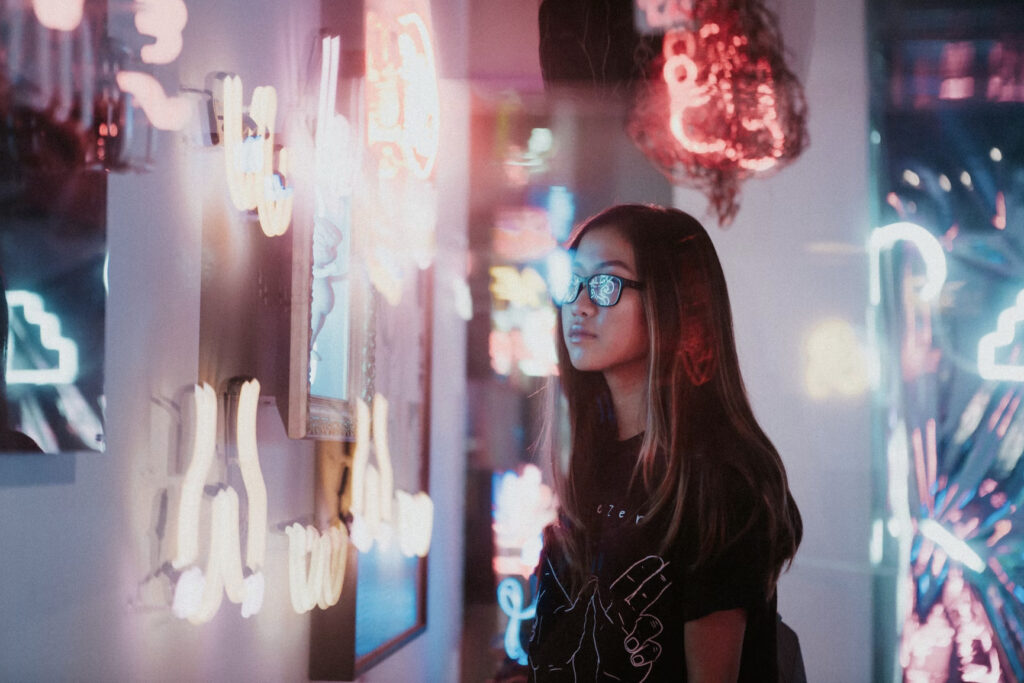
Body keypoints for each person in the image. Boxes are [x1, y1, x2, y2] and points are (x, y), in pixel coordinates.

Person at [527, 204, 802, 681]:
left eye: (607, 284)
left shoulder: (717, 481)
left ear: (673, 303)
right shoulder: (593, 460)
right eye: (573, 282)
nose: (582, 304)